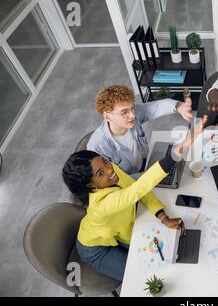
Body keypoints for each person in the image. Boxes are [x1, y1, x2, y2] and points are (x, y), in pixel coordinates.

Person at [62, 116, 207, 282]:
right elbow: (138, 190)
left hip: (117, 232)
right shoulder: (101, 205)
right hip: (95, 249)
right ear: (91, 187)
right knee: (146, 278)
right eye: (100, 173)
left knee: (159, 259)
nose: (109, 170)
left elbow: (137, 187)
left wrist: (163, 217)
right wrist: (174, 154)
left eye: (104, 162)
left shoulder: (111, 170)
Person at [87, 85, 193, 176]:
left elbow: (155, 107)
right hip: (131, 183)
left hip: (144, 164)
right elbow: (112, 182)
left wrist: (178, 106)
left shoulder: (133, 114)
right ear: (107, 117)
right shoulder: (97, 147)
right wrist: (148, 177)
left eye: (132, 108)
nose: (133, 115)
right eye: (124, 112)